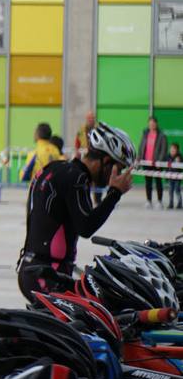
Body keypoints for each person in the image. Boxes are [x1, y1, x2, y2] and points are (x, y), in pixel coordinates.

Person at [17, 123, 136, 300]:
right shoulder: (76, 178)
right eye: (117, 168)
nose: (117, 174)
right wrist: (114, 193)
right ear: (105, 161)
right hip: (47, 274)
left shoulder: (59, 169)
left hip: (36, 269)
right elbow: (86, 227)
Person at [141, 116, 169, 209]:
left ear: (156, 124)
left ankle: (159, 201)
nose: (151, 125)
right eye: (150, 123)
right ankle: (148, 201)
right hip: (146, 162)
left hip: (157, 163)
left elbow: (164, 149)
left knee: (158, 182)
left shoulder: (161, 135)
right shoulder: (145, 133)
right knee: (148, 183)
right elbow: (141, 146)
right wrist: (140, 158)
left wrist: (159, 161)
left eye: (153, 123)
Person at [170, 144, 182, 210]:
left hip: (177, 177)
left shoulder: (179, 157)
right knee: (170, 191)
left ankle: (180, 203)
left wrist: (179, 160)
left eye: (174, 150)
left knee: (177, 190)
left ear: (177, 150)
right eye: (171, 149)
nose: (172, 151)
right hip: (170, 177)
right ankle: (171, 203)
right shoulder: (168, 156)